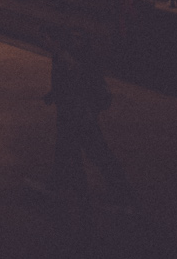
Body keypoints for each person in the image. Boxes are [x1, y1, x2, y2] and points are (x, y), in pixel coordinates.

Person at [28, 26, 133, 204]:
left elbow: (77, 85)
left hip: (78, 116)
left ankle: (121, 196)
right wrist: (54, 95)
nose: (43, 43)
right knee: (72, 153)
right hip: (75, 115)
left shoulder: (68, 57)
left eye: (45, 39)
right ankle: (69, 189)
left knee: (94, 153)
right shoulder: (64, 56)